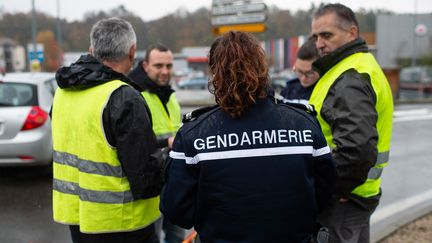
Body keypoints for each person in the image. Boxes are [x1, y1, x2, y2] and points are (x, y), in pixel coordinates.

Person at [160, 31, 336, 242]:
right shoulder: (303, 124)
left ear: (216, 73)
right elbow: (325, 193)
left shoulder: (193, 134)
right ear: (262, 69)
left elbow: (178, 211)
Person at [51, 17, 163, 243]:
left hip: (78, 220)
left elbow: (90, 143)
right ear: (132, 52)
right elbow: (145, 180)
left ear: (91, 50)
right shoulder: (124, 97)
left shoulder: (62, 94)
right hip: (124, 225)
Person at [309, 4, 394, 242]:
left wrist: (327, 191)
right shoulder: (359, 66)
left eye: (327, 35)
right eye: (316, 37)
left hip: (342, 202)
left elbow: (356, 150)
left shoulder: (350, 77)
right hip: (357, 196)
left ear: (352, 32)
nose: (319, 44)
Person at [129, 44, 184, 243]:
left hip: (174, 178)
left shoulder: (169, 94)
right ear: (145, 66)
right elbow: (133, 142)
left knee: (176, 235)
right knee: (153, 236)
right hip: (152, 182)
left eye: (169, 66)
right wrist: (165, 142)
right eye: (158, 66)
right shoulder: (135, 95)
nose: (164, 71)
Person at [280, 37, 320, 105]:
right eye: (299, 71)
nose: (303, 78)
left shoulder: (327, 92)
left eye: (309, 73)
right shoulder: (288, 90)